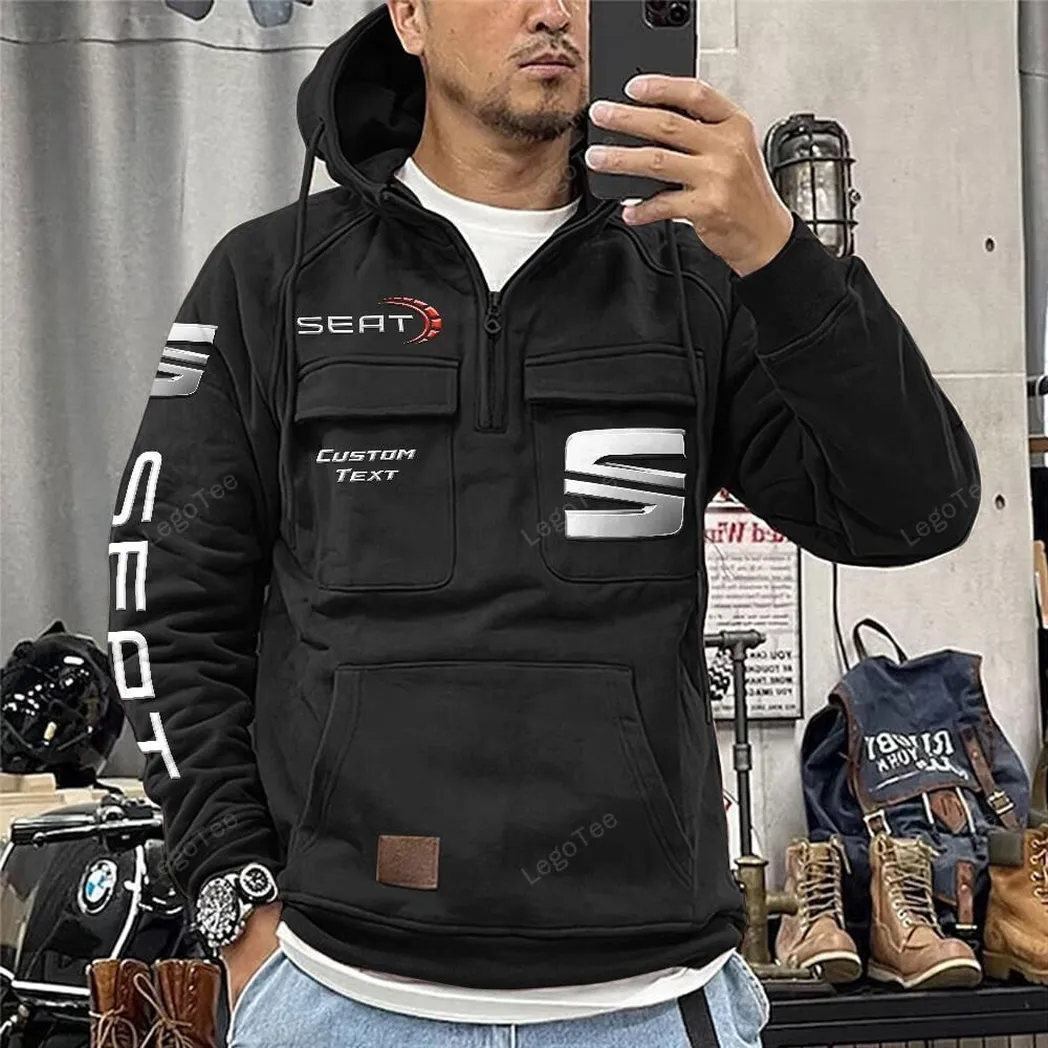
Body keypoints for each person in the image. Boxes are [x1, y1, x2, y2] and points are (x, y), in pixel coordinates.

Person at [107, 1, 981, 1045]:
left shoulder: (693, 280)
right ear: (411, 16)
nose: (555, 11)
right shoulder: (272, 277)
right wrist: (233, 897)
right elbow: (166, 605)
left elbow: (912, 513)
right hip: (340, 996)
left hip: (649, 1001)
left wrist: (782, 259)